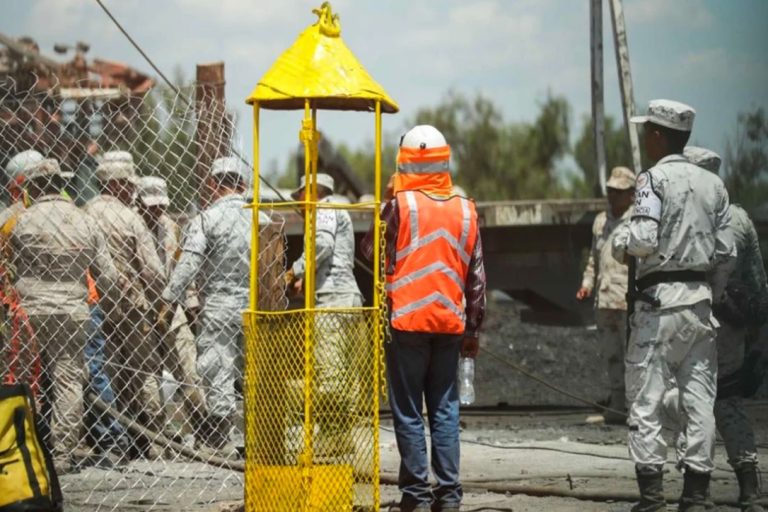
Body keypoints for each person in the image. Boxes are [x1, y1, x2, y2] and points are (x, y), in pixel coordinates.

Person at [612, 100, 736, 512]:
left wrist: (621, 241)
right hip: (700, 309)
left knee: (647, 402)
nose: (646, 136)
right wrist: (708, 294)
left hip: (658, 307)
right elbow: (726, 252)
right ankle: (696, 498)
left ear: (659, 136)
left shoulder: (652, 180)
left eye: (649, 130)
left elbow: (643, 241)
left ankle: (651, 499)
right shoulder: (714, 186)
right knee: (699, 402)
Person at [362, 125, 486, 512]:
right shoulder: (466, 208)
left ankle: (415, 496)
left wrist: (386, 199)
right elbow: (477, 277)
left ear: (406, 161)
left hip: (408, 321)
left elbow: (369, 250)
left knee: (409, 410)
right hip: (450, 323)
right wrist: (473, 329)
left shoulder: (401, 205)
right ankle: (448, 496)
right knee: (445, 409)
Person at [5, 158, 120, 472]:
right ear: (61, 183)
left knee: (25, 380)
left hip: (29, 312)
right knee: (68, 380)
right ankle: (62, 456)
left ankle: (22, 449)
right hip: (72, 309)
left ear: (34, 186)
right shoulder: (84, 220)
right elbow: (107, 275)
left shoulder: (22, 221)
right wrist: (108, 307)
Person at [684, 146, 768, 512]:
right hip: (730, 328)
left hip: (689, 322)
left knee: (691, 402)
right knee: (728, 401)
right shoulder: (740, 219)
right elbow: (757, 286)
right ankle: (749, 488)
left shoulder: (683, 215)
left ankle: (695, 490)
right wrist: (755, 338)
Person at [160, 157, 252, 452]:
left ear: (213, 184)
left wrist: (169, 299)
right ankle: (258, 435)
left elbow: (189, 263)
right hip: (256, 305)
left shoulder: (206, 219)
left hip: (219, 304)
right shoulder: (260, 216)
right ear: (243, 184)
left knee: (219, 367)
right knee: (255, 371)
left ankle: (226, 440)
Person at [84, 150, 166, 459]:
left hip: (96, 305)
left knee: (108, 373)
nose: (132, 190)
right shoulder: (129, 217)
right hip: (132, 307)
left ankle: (116, 440)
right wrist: (161, 301)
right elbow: (152, 271)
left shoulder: (85, 212)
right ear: (116, 184)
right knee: (143, 372)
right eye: (128, 184)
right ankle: (155, 443)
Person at [285, 172, 364, 461]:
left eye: (302, 196)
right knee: (344, 375)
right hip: (343, 297)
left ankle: (333, 437)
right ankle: (339, 437)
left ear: (313, 191)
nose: (300, 205)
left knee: (329, 374)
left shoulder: (325, 208)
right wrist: (306, 278)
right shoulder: (334, 210)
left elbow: (322, 246)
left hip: (332, 301)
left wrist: (296, 269)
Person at [136, 176, 204, 438]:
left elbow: (181, 269)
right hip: (142, 309)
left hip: (172, 310)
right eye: (151, 206)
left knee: (189, 370)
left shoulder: (171, 227)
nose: (157, 211)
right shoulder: (132, 225)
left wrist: (190, 304)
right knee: (149, 375)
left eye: (160, 206)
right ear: (139, 202)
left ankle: (203, 428)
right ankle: (156, 435)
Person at [576, 165, 635, 424]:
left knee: (632, 355)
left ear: (632, 194)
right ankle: (617, 405)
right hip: (605, 298)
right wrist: (587, 284)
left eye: (619, 191)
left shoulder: (638, 221)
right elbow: (594, 258)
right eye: (611, 190)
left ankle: (636, 409)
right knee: (611, 354)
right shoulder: (601, 221)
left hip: (628, 300)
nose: (613, 196)